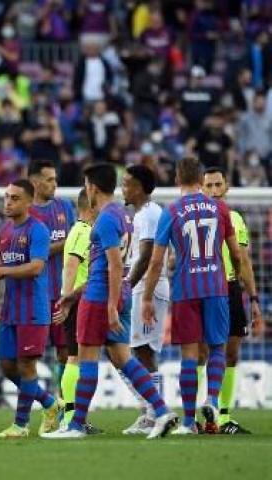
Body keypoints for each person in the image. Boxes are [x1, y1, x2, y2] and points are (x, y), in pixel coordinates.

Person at [43, 163, 176, 440]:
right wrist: (74, 295)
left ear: (92, 187)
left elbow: (114, 266)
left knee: (86, 359)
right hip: (115, 295)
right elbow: (108, 265)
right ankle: (162, 412)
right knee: (124, 359)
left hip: (101, 299)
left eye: (86, 184)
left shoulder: (104, 219)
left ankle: (76, 426)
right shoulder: (123, 216)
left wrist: (110, 306)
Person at [141, 157, 242, 435]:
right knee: (218, 347)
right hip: (217, 286)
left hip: (186, 289)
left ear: (176, 180)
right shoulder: (220, 208)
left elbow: (156, 261)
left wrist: (147, 297)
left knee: (189, 354)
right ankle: (211, 399)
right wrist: (240, 281)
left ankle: (187, 422)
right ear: (200, 180)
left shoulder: (171, 211)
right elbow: (235, 253)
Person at [0, 179, 62, 438]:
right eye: (6, 197)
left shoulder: (38, 230)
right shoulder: (6, 231)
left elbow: (36, 267)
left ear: (29, 202)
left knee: (26, 366)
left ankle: (20, 426)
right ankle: (50, 404)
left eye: (14, 198)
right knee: (8, 367)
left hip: (33, 309)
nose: (8, 202)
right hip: (10, 309)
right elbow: (7, 270)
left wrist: (0, 270)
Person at [199, 167, 263, 434]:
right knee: (201, 353)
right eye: (209, 186)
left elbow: (244, 260)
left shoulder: (235, 218)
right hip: (203, 288)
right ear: (201, 189)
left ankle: (223, 417)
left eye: (218, 185)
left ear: (225, 187)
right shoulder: (196, 216)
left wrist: (254, 297)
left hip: (230, 287)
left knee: (232, 354)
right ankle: (198, 417)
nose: (214, 190)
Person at [121, 165, 170, 435]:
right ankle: (151, 411)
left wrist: (129, 285)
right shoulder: (144, 213)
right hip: (146, 287)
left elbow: (149, 254)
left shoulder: (150, 214)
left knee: (143, 352)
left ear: (139, 187)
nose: (122, 188)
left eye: (126, 183)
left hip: (148, 288)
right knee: (138, 351)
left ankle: (155, 413)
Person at [54, 188, 99, 432]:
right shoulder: (83, 232)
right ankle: (70, 417)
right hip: (78, 301)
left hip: (80, 299)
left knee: (79, 358)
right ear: (90, 207)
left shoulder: (80, 230)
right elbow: (71, 265)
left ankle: (73, 416)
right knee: (75, 357)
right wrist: (66, 299)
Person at [29, 160, 76, 390]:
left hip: (62, 293)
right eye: (49, 180)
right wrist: (65, 243)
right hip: (35, 294)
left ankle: (66, 406)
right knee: (29, 356)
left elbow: (78, 244)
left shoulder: (65, 207)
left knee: (66, 353)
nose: (55, 184)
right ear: (35, 183)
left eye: (55, 179)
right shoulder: (25, 212)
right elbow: (29, 254)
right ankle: (40, 407)